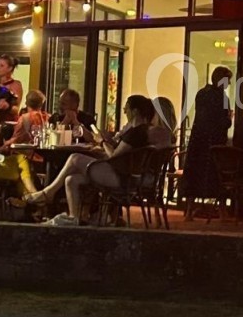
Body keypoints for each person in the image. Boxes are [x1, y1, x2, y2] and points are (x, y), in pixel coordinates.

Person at [28, 95, 156, 224]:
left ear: (135, 111)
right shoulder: (139, 131)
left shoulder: (136, 132)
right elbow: (122, 153)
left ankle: (48, 193)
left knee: (75, 158)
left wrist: (102, 142)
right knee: (71, 179)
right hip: (121, 173)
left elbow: (114, 156)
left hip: (122, 177)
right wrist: (107, 144)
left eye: (126, 108)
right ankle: (74, 218)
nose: (124, 111)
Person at [180, 66, 234, 218]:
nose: (229, 83)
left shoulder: (201, 94)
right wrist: (230, 118)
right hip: (215, 143)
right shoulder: (223, 98)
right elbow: (224, 123)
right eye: (228, 80)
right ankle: (222, 213)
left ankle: (189, 211)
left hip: (198, 141)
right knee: (217, 176)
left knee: (194, 175)